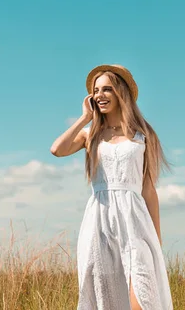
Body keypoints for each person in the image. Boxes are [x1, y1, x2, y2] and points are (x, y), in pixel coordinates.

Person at [50, 64, 174, 310]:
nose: (100, 95)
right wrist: (85, 118)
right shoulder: (91, 135)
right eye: (96, 90)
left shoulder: (142, 135)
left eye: (107, 89)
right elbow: (57, 149)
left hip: (135, 223)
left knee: (143, 295)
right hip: (100, 222)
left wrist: (156, 242)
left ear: (121, 92)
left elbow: (148, 190)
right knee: (102, 298)